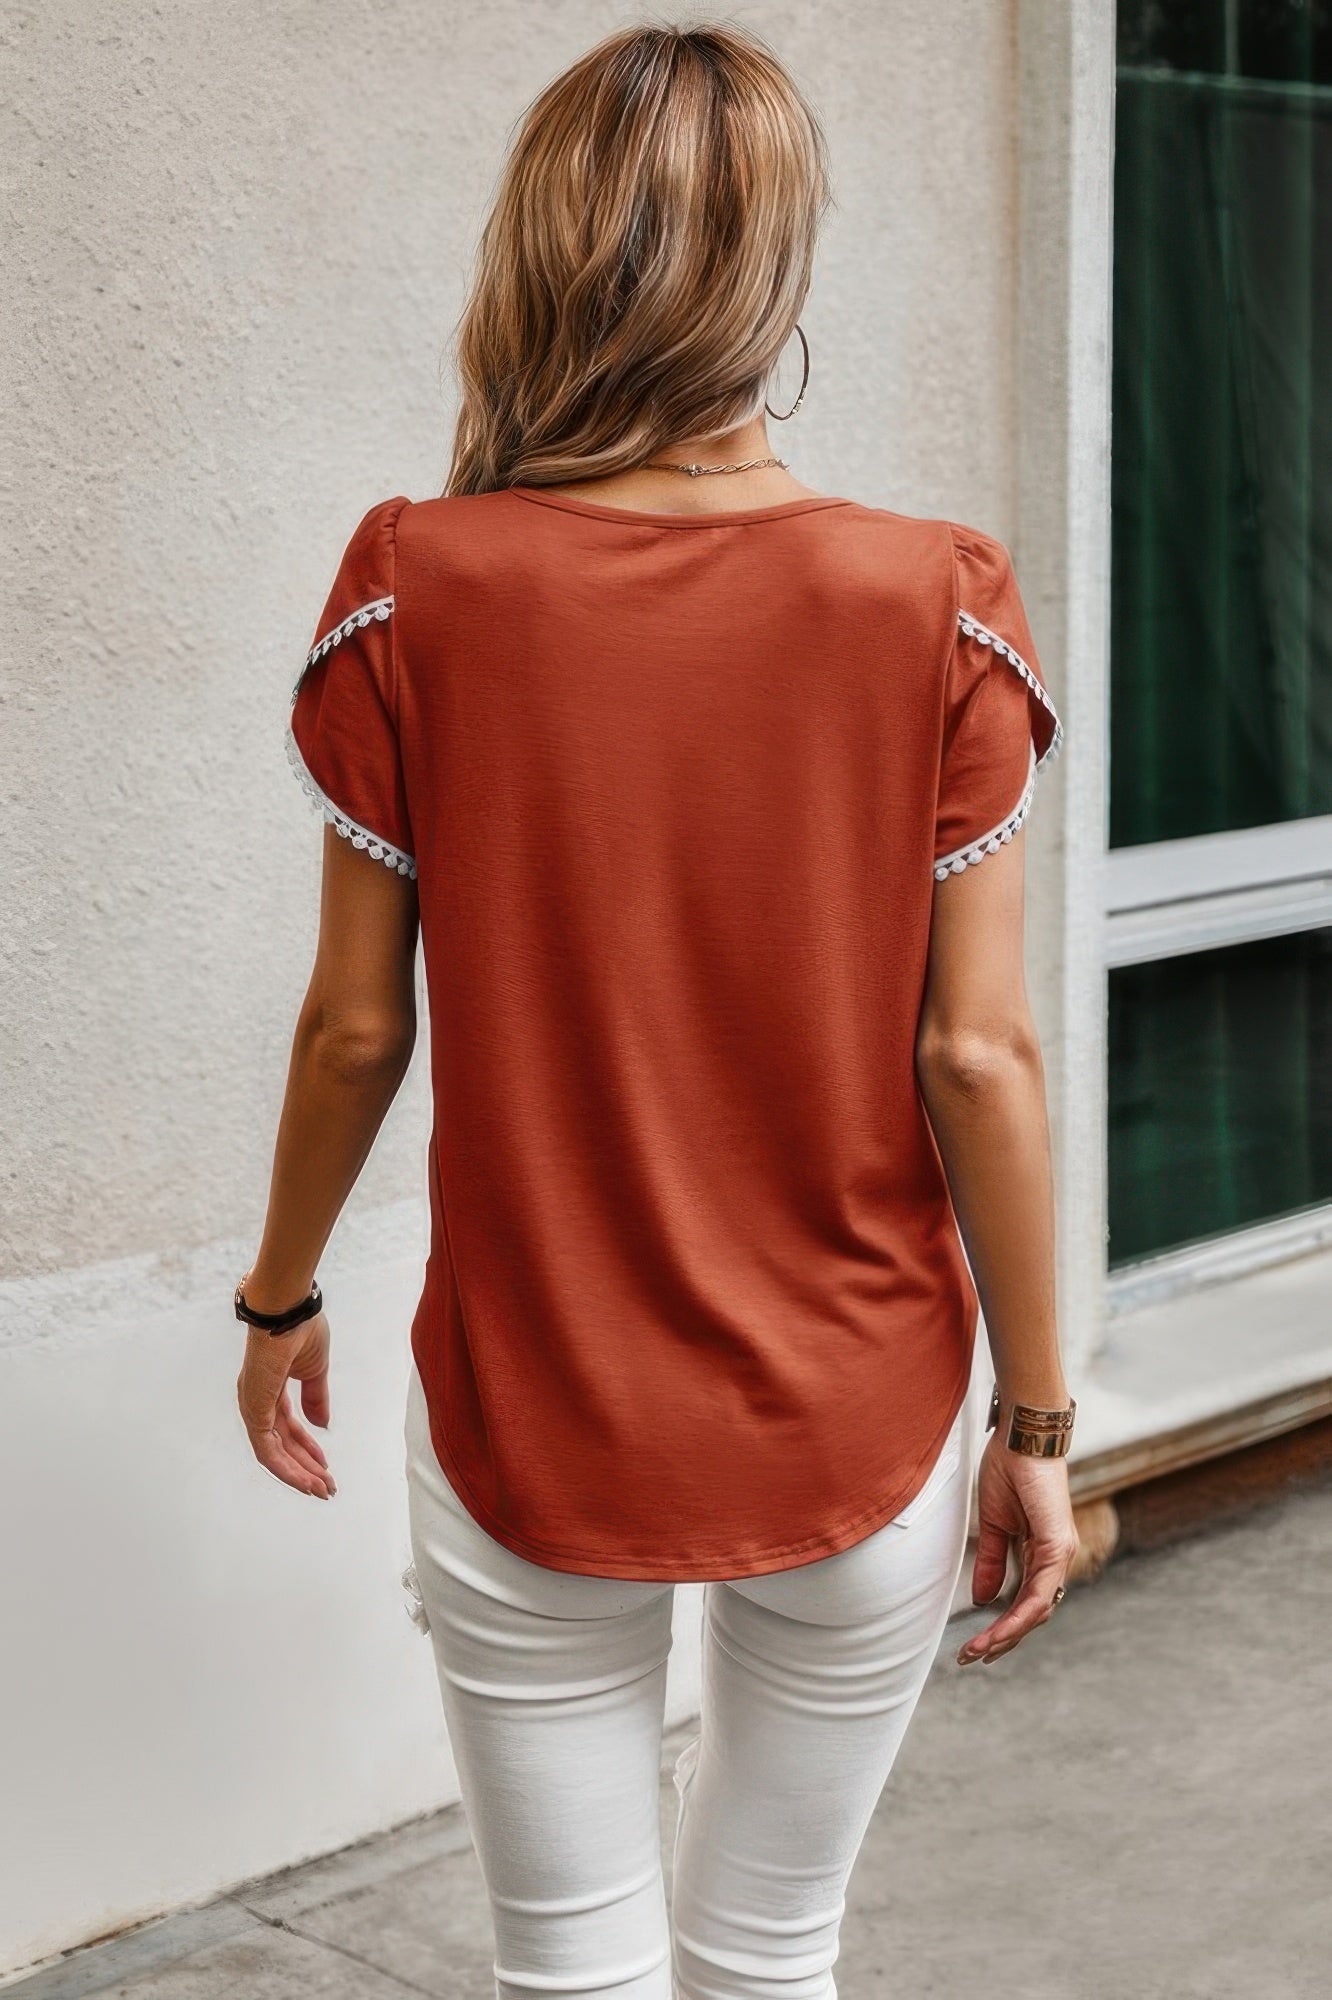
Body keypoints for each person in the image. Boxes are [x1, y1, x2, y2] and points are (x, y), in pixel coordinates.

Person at [235, 21, 1080, 1999]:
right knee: (774, 1950)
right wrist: (1037, 1421)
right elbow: (978, 1056)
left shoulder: (413, 585)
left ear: (543, 253)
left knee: (570, 1968)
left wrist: (278, 1300)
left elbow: (356, 1028)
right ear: (777, 272)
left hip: (532, 1399)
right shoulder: (937, 603)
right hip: (859, 1407)